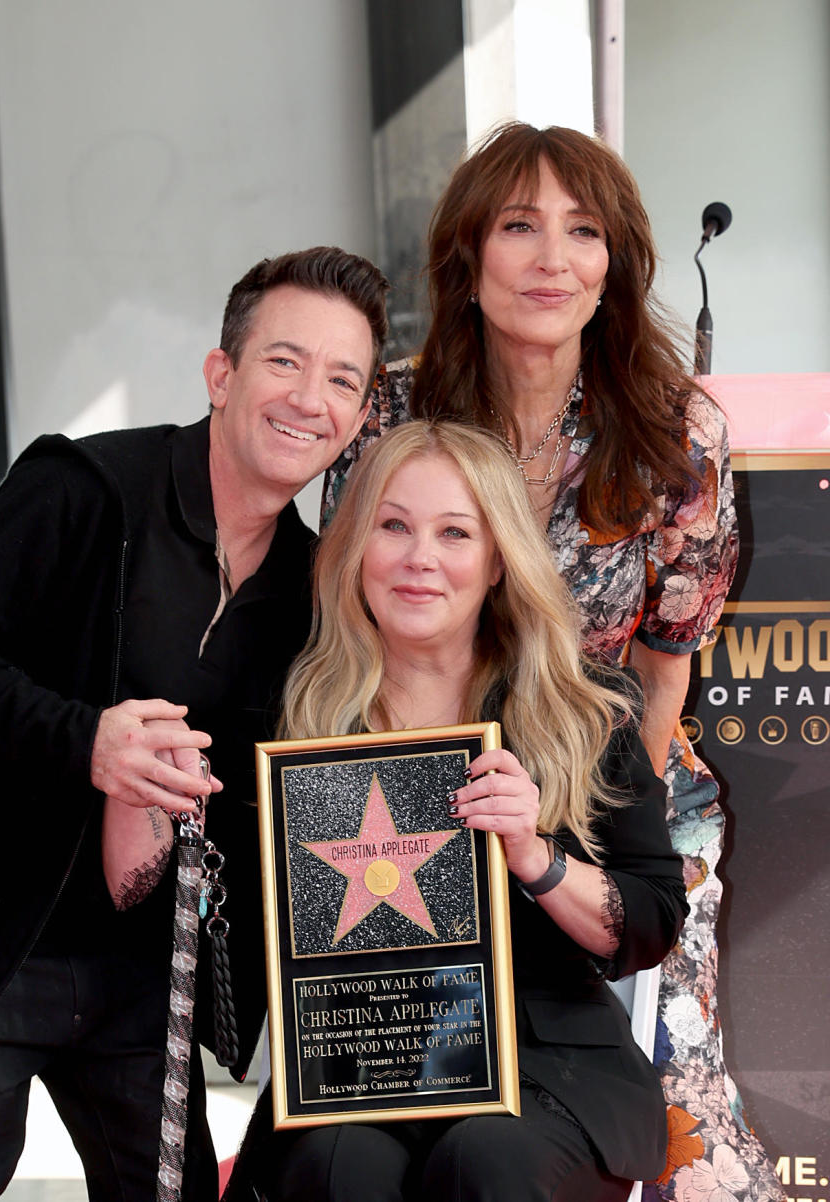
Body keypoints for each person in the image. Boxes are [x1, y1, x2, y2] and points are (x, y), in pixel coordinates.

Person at [0, 246, 388, 1201]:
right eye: (284, 361)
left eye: (341, 379)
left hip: (140, 968)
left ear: (358, 417)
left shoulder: (316, 592)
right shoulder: (84, 488)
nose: (309, 397)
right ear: (221, 374)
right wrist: (87, 740)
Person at [322, 124, 783, 1199]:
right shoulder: (390, 411)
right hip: (420, 799)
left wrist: (600, 821)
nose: (550, 258)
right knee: (387, 1121)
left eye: (583, 231)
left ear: (614, 262)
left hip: (611, 780)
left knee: (689, 1131)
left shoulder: (678, 434)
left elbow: (667, 660)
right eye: (518, 226)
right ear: (468, 258)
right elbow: (348, 611)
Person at [214, 420, 688, 1202]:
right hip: (357, 1062)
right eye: (392, 526)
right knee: (343, 1169)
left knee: (486, 1162)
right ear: (354, 549)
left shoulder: (584, 714)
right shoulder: (290, 715)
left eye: (454, 532)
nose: (419, 558)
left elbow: (650, 923)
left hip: (547, 1070)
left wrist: (538, 859)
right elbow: (236, 927)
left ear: (498, 560)